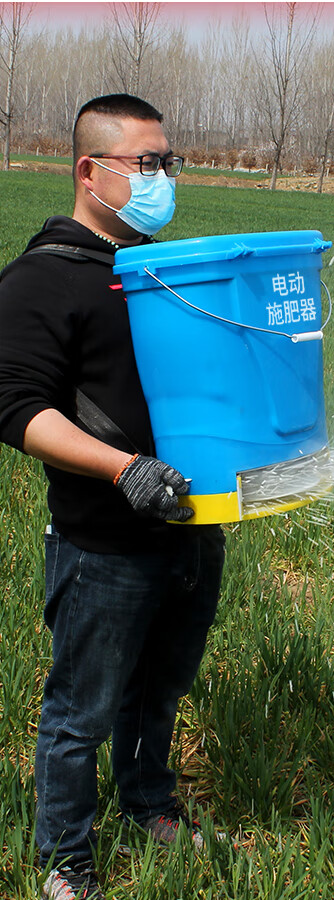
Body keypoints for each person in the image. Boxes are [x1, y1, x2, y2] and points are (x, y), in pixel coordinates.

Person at [0, 94, 225, 900]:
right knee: (80, 714)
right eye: (147, 164)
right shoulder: (42, 279)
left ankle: (150, 804)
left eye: (170, 161)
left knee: (159, 690)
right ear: (91, 173)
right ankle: (66, 857)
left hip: (191, 530)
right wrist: (122, 468)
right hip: (104, 543)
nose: (164, 178)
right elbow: (17, 408)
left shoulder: (163, 277)